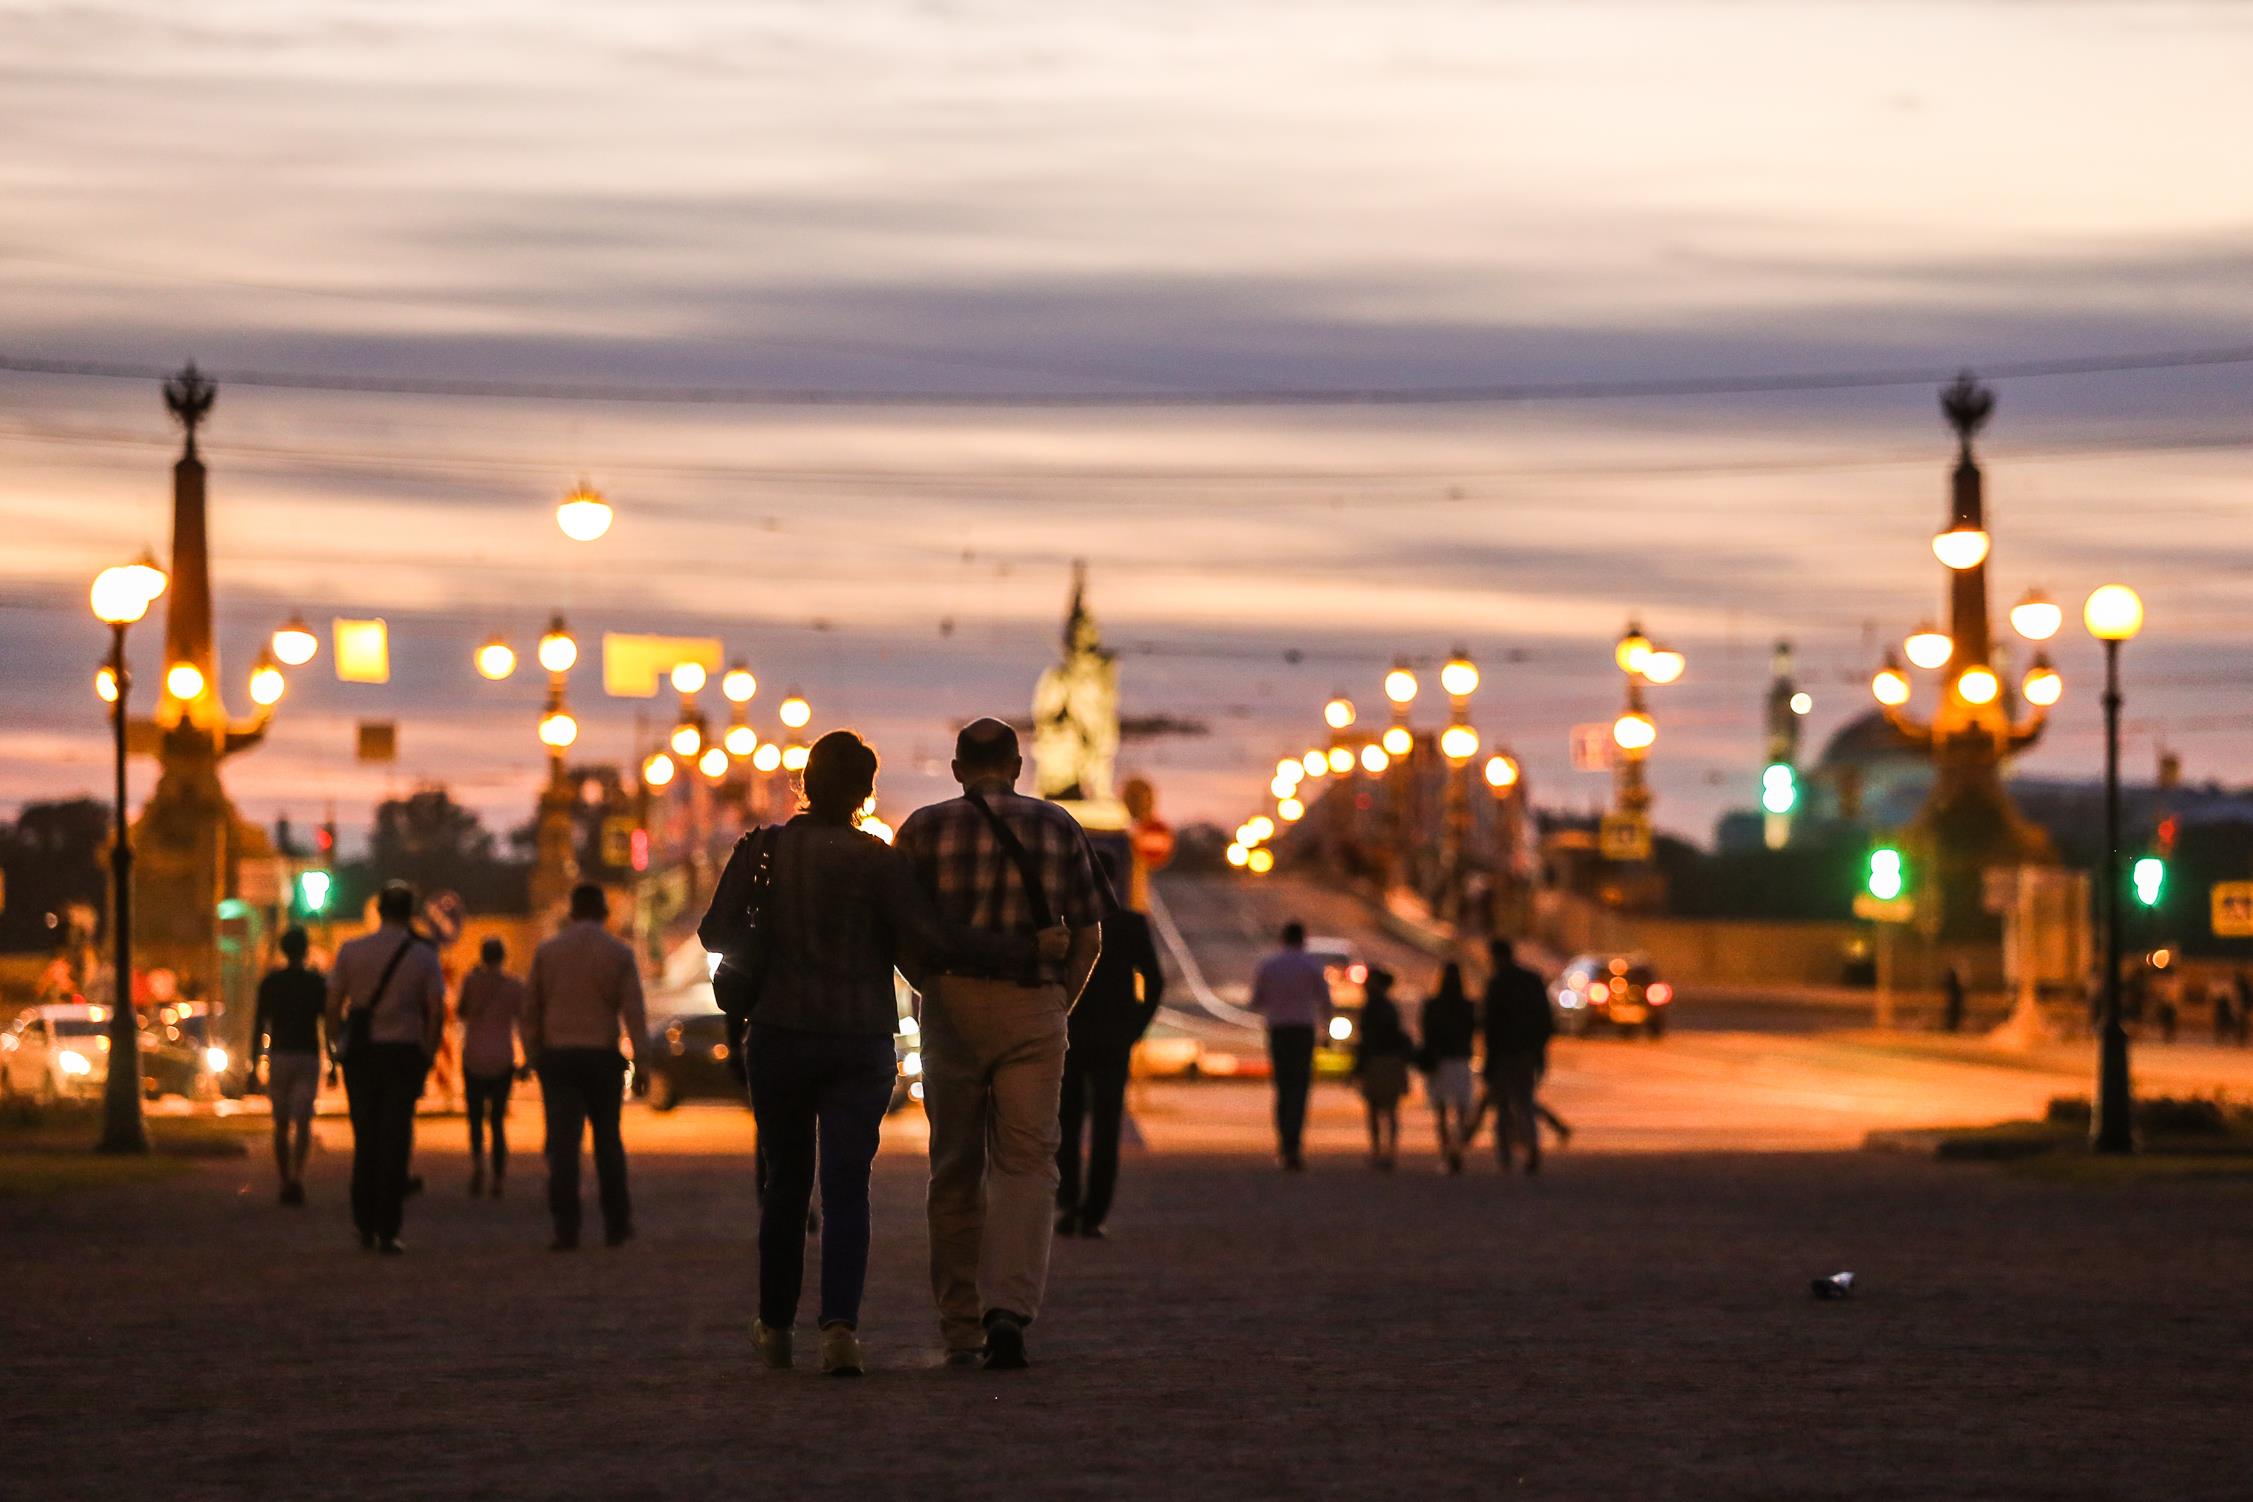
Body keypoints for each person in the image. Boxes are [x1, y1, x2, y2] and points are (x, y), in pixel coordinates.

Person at [704, 730, 1041, 1376]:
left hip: (779, 1033)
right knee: (846, 1189)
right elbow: (931, 940)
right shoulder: (879, 862)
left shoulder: (764, 850)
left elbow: (715, 930)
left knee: (784, 1185)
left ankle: (775, 1328)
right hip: (859, 1038)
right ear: (866, 792)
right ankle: (839, 1332)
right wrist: (1020, 952)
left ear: (804, 782)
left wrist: (764, 937)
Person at [895, 718, 1104, 1372]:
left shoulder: (922, 829)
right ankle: (1007, 1309)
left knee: (953, 1166)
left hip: (951, 1006)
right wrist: (1053, 1005)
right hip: (1033, 1006)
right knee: (1026, 1164)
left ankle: (959, 1325)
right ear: (1018, 766)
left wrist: (932, 988)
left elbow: (898, 936)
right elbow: (1091, 935)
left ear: (958, 769)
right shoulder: (1058, 825)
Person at [525, 883, 650, 1252]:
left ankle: (566, 1228)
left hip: (559, 1057)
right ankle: (616, 1224)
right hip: (601, 1057)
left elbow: (531, 1010)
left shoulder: (548, 953)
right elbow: (634, 1011)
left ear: (572, 912)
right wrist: (641, 1062)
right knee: (608, 1142)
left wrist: (535, 1055)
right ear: (603, 913)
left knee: (563, 1145)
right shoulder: (619, 953)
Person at [325, 882, 446, 1253]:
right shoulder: (424, 955)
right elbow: (437, 1009)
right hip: (403, 1052)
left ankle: (363, 1223)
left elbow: (332, 1004)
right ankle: (388, 1229)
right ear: (411, 913)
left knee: (365, 1139)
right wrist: (428, 1051)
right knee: (396, 1139)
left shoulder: (351, 950)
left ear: (378, 911)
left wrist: (335, 1047)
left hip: (361, 1054)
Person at [1056, 846, 1164, 1240]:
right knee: (1106, 1127)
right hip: (1113, 1039)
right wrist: (1134, 1029)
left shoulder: (1064, 922)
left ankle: (1067, 1203)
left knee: (1064, 1124)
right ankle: (1094, 1213)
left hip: (1067, 1034)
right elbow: (1154, 982)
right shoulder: (1131, 924)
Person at [250, 926, 326, 1206]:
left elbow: (260, 1024)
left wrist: (253, 1062)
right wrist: (332, 1053)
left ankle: (284, 1179)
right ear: (306, 950)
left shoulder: (271, 983)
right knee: (304, 1121)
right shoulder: (316, 982)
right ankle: (297, 1176)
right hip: (307, 1054)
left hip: (280, 1055)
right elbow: (325, 1023)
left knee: (281, 1123)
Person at [1248, 921, 1332, 1171]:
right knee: (1300, 1088)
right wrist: (1326, 1030)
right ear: (1303, 939)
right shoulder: (1312, 966)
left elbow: (1256, 1001)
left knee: (1282, 1087)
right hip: (1303, 1030)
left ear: (1283, 939)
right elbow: (1326, 1001)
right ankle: (1294, 1144)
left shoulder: (1270, 966)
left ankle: (1284, 1143)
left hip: (1279, 1031)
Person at [455, 937, 528, 1199]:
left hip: (473, 1056)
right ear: (503, 956)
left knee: (475, 1118)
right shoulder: (514, 985)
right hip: (502, 1058)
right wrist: (528, 1060)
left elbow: (461, 1013)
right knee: (497, 1120)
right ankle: (498, 1177)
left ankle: (478, 1165)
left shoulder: (471, 982)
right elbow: (524, 1024)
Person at [1479, 938, 1556, 1175]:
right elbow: (1546, 1022)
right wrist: (1539, 1052)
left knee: (1503, 1107)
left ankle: (1505, 1156)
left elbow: (1489, 1026)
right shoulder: (1531, 981)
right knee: (1523, 1102)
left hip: (1504, 1054)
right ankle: (1531, 1148)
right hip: (1526, 1053)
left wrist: (1489, 1061)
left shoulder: (1498, 984)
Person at [1417, 962, 1477, 1174]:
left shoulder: (1433, 1005)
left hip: (1440, 1060)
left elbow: (1426, 1032)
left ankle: (1446, 1152)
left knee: (1441, 1111)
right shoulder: (1468, 1005)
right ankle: (1457, 1149)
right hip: (1460, 1059)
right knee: (1461, 1109)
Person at [1350, 969, 1414, 1170]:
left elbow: (1367, 1040)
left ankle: (1379, 1150)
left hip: (1377, 1061)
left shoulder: (1373, 1007)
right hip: (1391, 1061)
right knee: (1390, 1109)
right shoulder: (1389, 1007)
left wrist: (1357, 1067)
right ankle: (1388, 1151)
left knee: (1375, 1109)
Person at [1941, 966, 1966, 1033]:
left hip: (1954, 1003)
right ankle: (1952, 1028)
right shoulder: (1955, 986)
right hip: (1954, 1003)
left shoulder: (1953, 985)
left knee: (1953, 1016)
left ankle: (1952, 1028)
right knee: (1953, 1016)